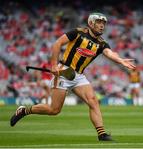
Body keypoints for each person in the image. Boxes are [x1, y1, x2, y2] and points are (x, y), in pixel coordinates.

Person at [10, 12, 136, 141]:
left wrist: (120, 60)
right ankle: (24, 110)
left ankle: (102, 134)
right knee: (54, 110)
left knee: (93, 101)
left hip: (79, 76)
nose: (102, 26)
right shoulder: (77, 33)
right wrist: (53, 65)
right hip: (63, 72)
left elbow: (110, 53)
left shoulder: (101, 43)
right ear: (91, 23)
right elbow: (57, 44)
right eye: (99, 22)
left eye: (103, 23)